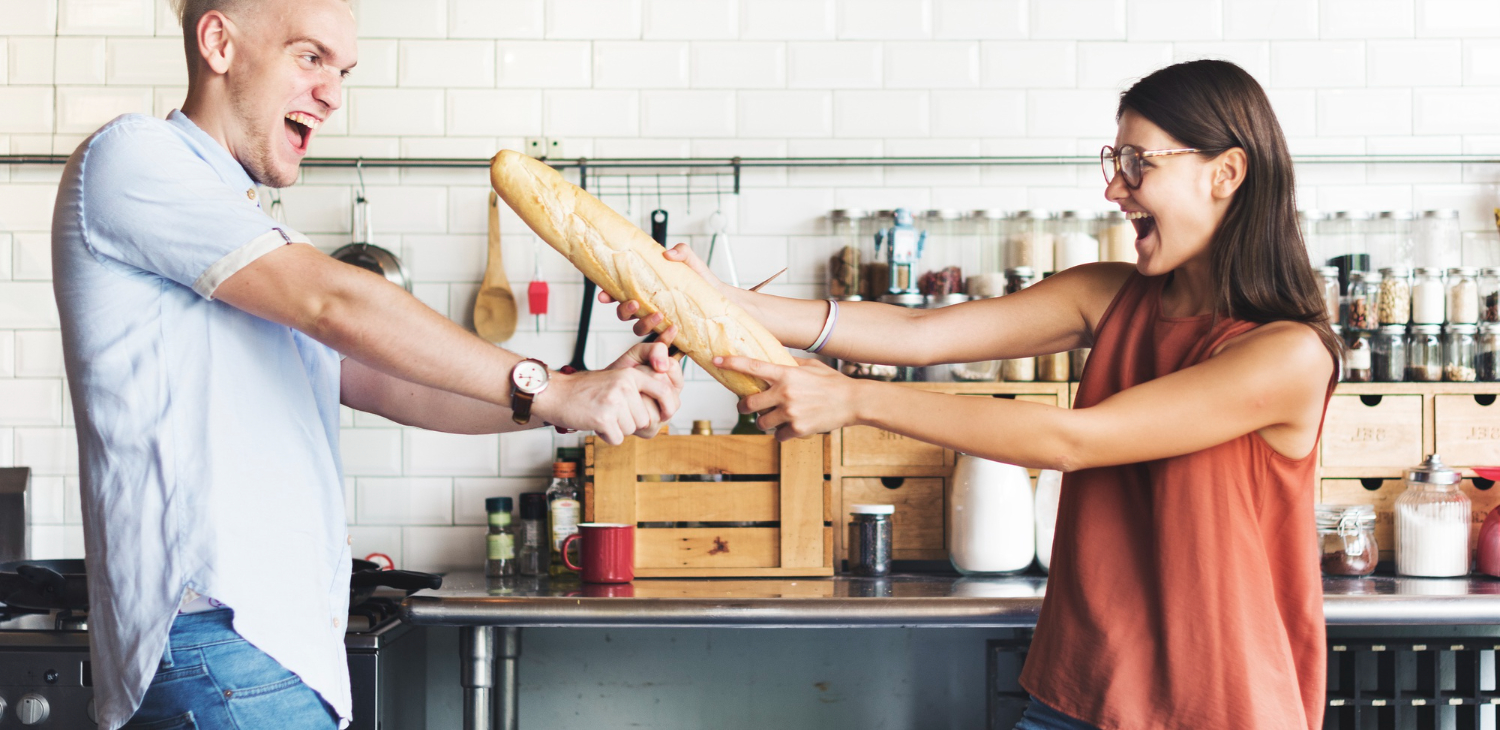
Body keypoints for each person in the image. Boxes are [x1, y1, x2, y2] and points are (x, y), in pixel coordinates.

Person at [612, 60, 1337, 729]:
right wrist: (715, 299)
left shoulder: (1286, 356)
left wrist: (857, 401)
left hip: (1218, 706)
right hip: (1078, 693)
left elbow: (1076, 440)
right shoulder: (1111, 294)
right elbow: (919, 335)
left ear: (1226, 172)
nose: (1114, 188)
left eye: (1138, 164)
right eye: (1114, 162)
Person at [50, 1, 682, 728]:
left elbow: (386, 381)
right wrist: (547, 389)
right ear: (219, 42)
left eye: (342, 70)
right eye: (310, 57)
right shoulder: (132, 157)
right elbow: (336, 303)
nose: (333, 94)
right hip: (219, 646)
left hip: (259, 651)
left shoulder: (242, 225)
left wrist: (574, 392)